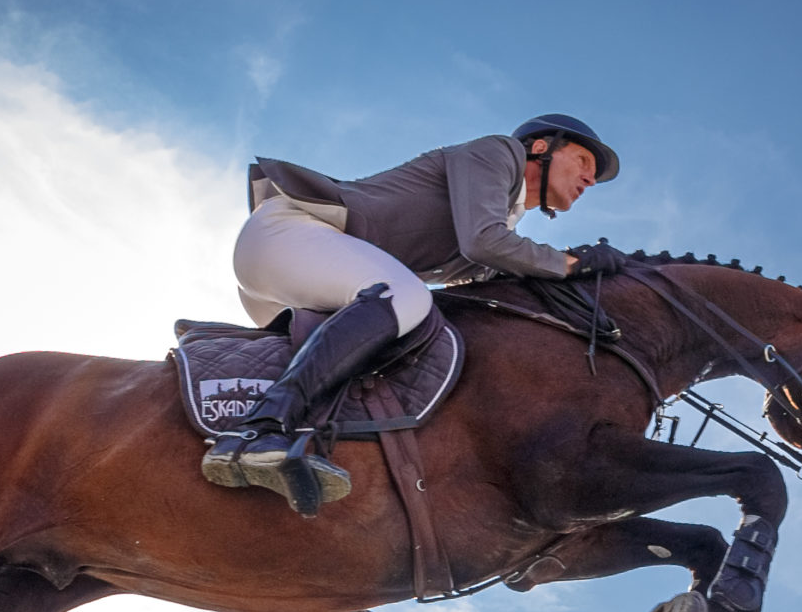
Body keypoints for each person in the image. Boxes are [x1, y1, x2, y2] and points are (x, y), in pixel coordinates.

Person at [204, 115, 624, 514]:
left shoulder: (502, 216)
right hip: (291, 235)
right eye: (584, 161)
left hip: (297, 282)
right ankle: (256, 431)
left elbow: (486, 280)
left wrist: (580, 285)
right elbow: (484, 242)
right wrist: (570, 263)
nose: (589, 179)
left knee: (392, 344)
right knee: (406, 297)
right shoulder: (495, 153)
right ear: (539, 147)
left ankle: (289, 441)